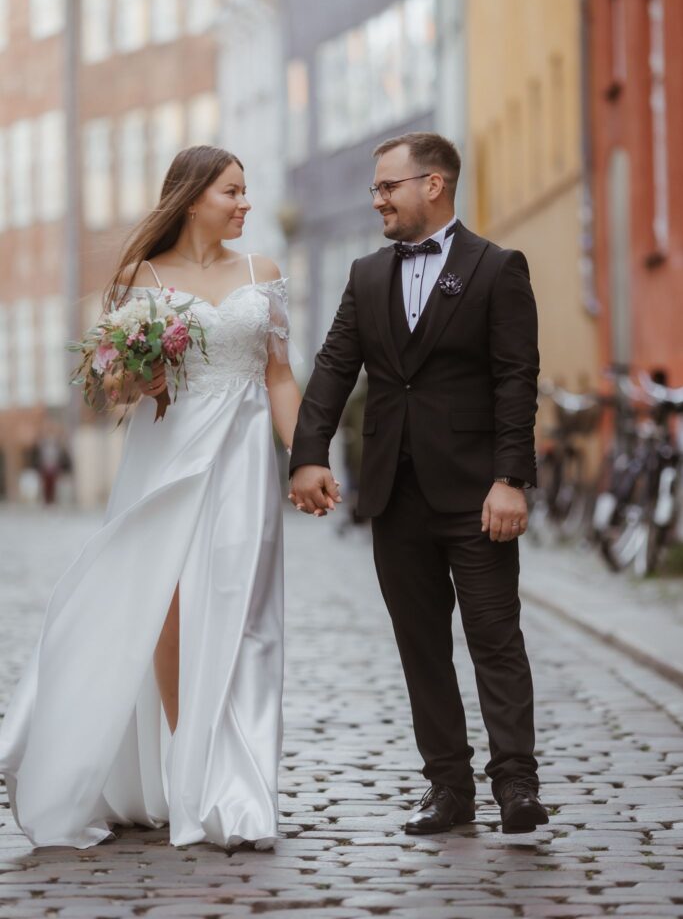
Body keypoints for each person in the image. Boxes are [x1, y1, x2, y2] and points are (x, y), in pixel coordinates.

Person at [0, 145, 302, 850]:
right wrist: (134, 375)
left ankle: (233, 771)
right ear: (195, 196)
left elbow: (281, 375)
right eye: (233, 191)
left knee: (240, 606)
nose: (245, 204)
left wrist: (306, 458)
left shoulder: (264, 273)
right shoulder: (143, 277)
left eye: (247, 192)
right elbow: (119, 391)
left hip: (244, 453)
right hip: (166, 455)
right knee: (162, 603)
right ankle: (182, 770)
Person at [289, 132, 549, 836]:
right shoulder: (366, 275)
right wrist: (307, 455)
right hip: (392, 494)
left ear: (432, 185)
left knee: (495, 638)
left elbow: (514, 380)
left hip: (476, 495)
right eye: (376, 188)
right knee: (420, 646)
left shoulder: (496, 269)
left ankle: (516, 787)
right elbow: (334, 367)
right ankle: (448, 790)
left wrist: (510, 479)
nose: (376, 198)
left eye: (386, 187)